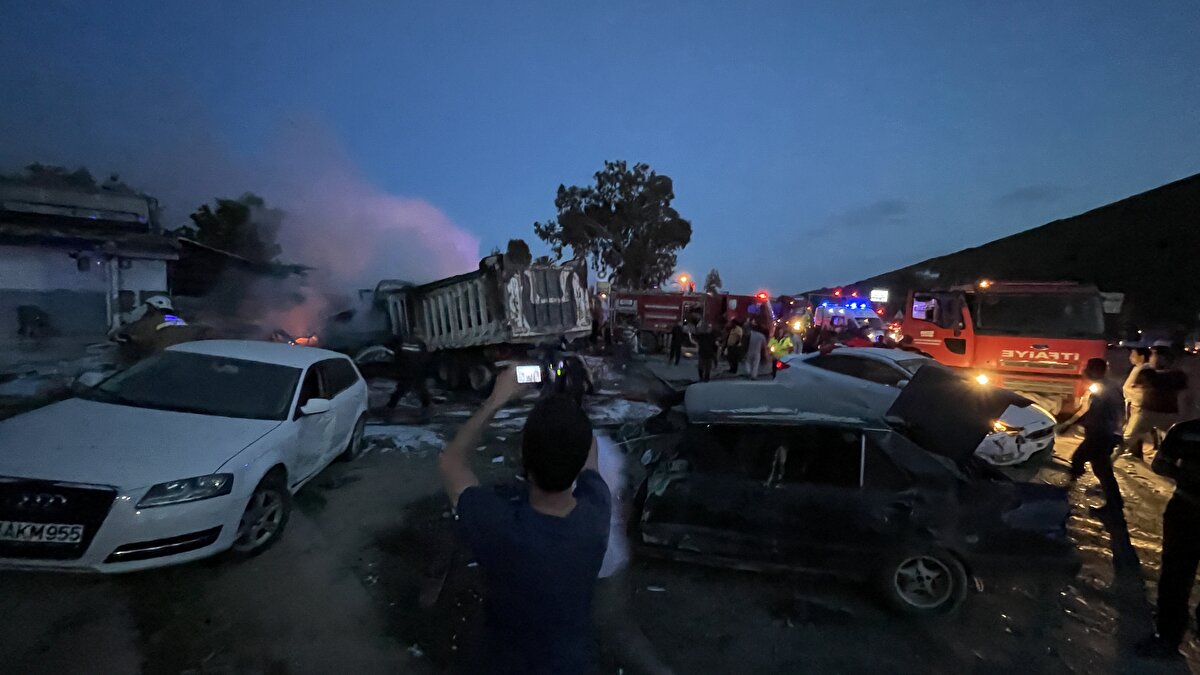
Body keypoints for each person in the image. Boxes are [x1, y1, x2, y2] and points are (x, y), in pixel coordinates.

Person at [438, 370, 610, 674]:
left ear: (523, 462)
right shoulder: (596, 512)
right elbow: (588, 451)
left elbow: (452, 460)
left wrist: (497, 399)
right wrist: (568, 402)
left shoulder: (500, 528)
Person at [1138, 420, 1200, 659]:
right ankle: (1167, 636)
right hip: (1185, 512)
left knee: (1175, 576)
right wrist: (1187, 475)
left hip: (1184, 510)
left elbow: (1161, 464)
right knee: (1175, 576)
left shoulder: (1186, 430)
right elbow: (1160, 463)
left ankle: (1168, 637)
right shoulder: (1185, 431)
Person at [1057, 358, 1125, 514]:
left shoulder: (1103, 389)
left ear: (1095, 370)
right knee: (1100, 467)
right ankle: (1114, 503)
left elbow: (1092, 412)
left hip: (1101, 434)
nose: (1084, 371)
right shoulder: (1109, 386)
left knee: (1082, 460)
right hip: (1107, 432)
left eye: (1088, 368)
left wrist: (1069, 424)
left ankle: (1067, 492)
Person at [386, 328, 432, 418]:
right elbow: (425, 356)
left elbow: (398, 360)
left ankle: (390, 406)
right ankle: (427, 406)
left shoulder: (401, 346)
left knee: (402, 389)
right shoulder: (417, 342)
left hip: (408, 371)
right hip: (418, 370)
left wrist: (398, 372)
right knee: (420, 388)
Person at [1117, 346, 1154, 458]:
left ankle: (1112, 457)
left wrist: (1130, 391)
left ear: (1141, 357)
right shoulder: (1138, 368)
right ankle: (1140, 451)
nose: (1130, 357)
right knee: (1141, 431)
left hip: (1139, 406)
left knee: (1129, 433)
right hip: (1134, 404)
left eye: (1133, 355)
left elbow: (1141, 390)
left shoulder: (1145, 370)